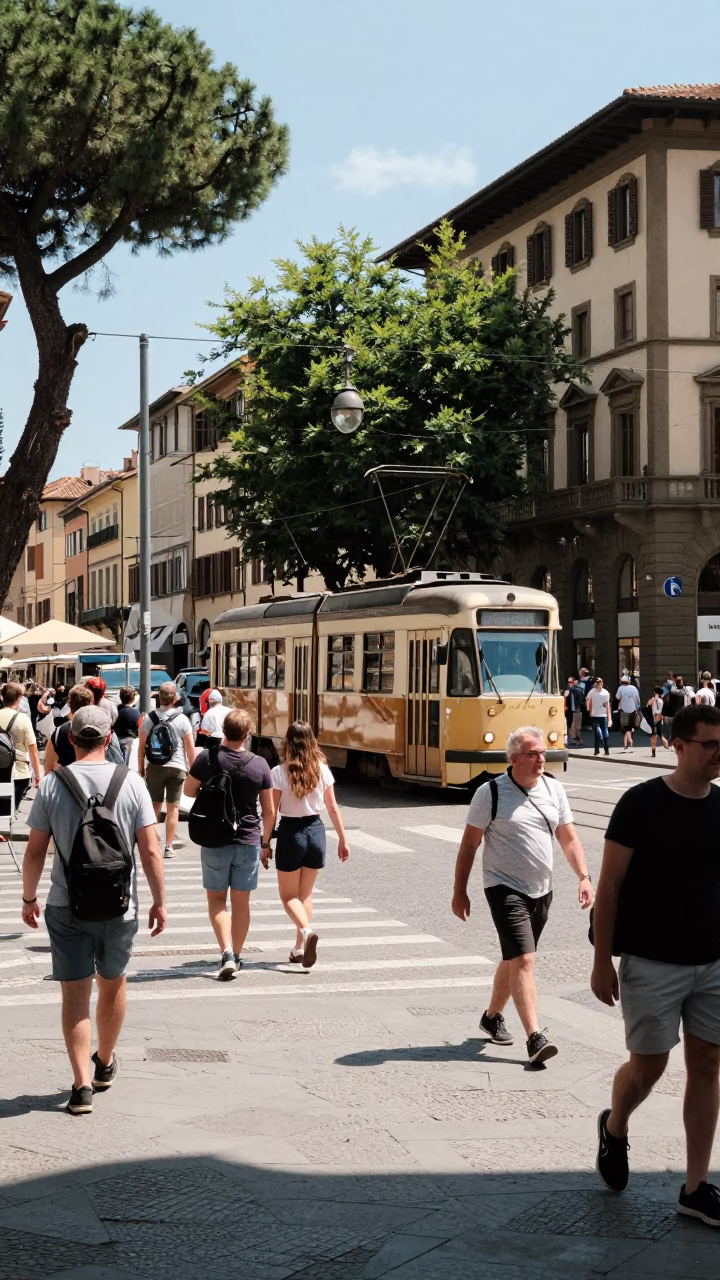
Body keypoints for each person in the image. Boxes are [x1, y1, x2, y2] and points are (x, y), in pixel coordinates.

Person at [591, 704, 720, 1227]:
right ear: (679, 745)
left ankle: (696, 1186)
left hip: (713, 960)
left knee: (708, 1064)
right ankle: (616, 1125)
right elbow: (610, 887)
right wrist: (602, 961)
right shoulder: (640, 803)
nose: (718, 753)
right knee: (649, 1067)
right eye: (709, 744)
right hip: (651, 959)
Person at [21, 704, 166, 1116]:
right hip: (120, 906)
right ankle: (104, 1062)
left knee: (74, 993)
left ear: (69, 738)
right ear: (107, 738)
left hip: (67, 904)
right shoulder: (132, 783)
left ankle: (81, 1086)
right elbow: (151, 849)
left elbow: (34, 852)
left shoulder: (52, 785)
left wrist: (29, 898)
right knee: (113, 983)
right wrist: (159, 900)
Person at [452, 726, 592, 1064]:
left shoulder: (554, 790)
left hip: (542, 889)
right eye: (534, 754)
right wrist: (460, 891)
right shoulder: (490, 793)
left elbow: (569, 839)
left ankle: (491, 1016)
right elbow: (469, 845)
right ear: (514, 759)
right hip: (503, 886)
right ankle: (535, 1038)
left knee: (514, 957)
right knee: (525, 960)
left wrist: (584, 877)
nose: (542, 758)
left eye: (543, 753)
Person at [184, 709, 274, 979]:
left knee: (216, 899)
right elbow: (269, 811)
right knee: (241, 902)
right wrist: (266, 842)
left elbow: (188, 791)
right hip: (248, 839)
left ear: (224, 730)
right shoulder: (259, 764)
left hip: (214, 837)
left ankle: (226, 954)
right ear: (248, 734)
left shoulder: (207, 758)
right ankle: (236, 954)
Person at [268, 721, 350, 968]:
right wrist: (343, 839)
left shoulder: (279, 772)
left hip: (291, 832)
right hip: (316, 831)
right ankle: (299, 948)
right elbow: (333, 808)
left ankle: (306, 932)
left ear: (287, 744)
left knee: (288, 896)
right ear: (312, 742)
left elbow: (271, 813)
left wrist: (264, 842)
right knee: (305, 894)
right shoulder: (322, 770)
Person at [137, 681, 195, 859]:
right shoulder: (182, 719)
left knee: (154, 805)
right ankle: (168, 846)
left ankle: (152, 843)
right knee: (173, 807)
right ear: (175, 698)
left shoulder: (149, 718)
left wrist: (141, 768)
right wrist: (192, 769)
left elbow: (141, 746)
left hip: (155, 766)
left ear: (158, 697)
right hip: (177, 767)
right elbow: (190, 747)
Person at [0, 680, 41, 810]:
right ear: (19, 698)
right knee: (11, 807)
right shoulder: (23, 719)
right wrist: (37, 774)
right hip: (18, 771)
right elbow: (33, 750)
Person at [44, 684, 94, 772]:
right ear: (90, 703)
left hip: (66, 782)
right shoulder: (98, 728)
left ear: (68, 704)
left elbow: (48, 766)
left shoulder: (59, 732)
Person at [615, 675, 641, 752]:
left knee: (625, 727)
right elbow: (637, 699)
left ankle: (630, 741)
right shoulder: (634, 688)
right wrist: (637, 707)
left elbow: (617, 697)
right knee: (630, 726)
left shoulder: (620, 688)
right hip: (632, 708)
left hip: (623, 709)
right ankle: (626, 744)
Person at [114, 687, 141, 761]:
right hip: (128, 743)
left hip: (118, 740)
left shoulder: (118, 708)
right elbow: (140, 727)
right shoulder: (133, 712)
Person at [587, 677, 611, 756]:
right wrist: (609, 718)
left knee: (597, 732)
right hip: (603, 715)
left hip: (595, 714)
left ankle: (597, 750)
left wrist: (589, 711)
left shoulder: (592, 692)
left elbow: (588, 702)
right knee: (604, 731)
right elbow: (607, 706)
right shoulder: (606, 692)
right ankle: (606, 750)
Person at [647, 685, 669, 757]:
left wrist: (654, 698)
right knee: (659, 734)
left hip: (655, 717)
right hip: (658, 717)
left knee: (654, 736)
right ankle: (667, 745)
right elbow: (649, 704)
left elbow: (649, 704)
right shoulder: (660, 700)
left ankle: (654, 752)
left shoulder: (658, 700)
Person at [564, 676, 584, 746]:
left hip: (577, 710)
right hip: (571, 711)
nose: (569, 684)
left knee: (576, 727)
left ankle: (578, 741)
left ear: (574, 682)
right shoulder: (574, 690)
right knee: (572, 727)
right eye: (568, 682)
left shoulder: (574, 690)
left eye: (570, 682)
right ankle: (574, 741)